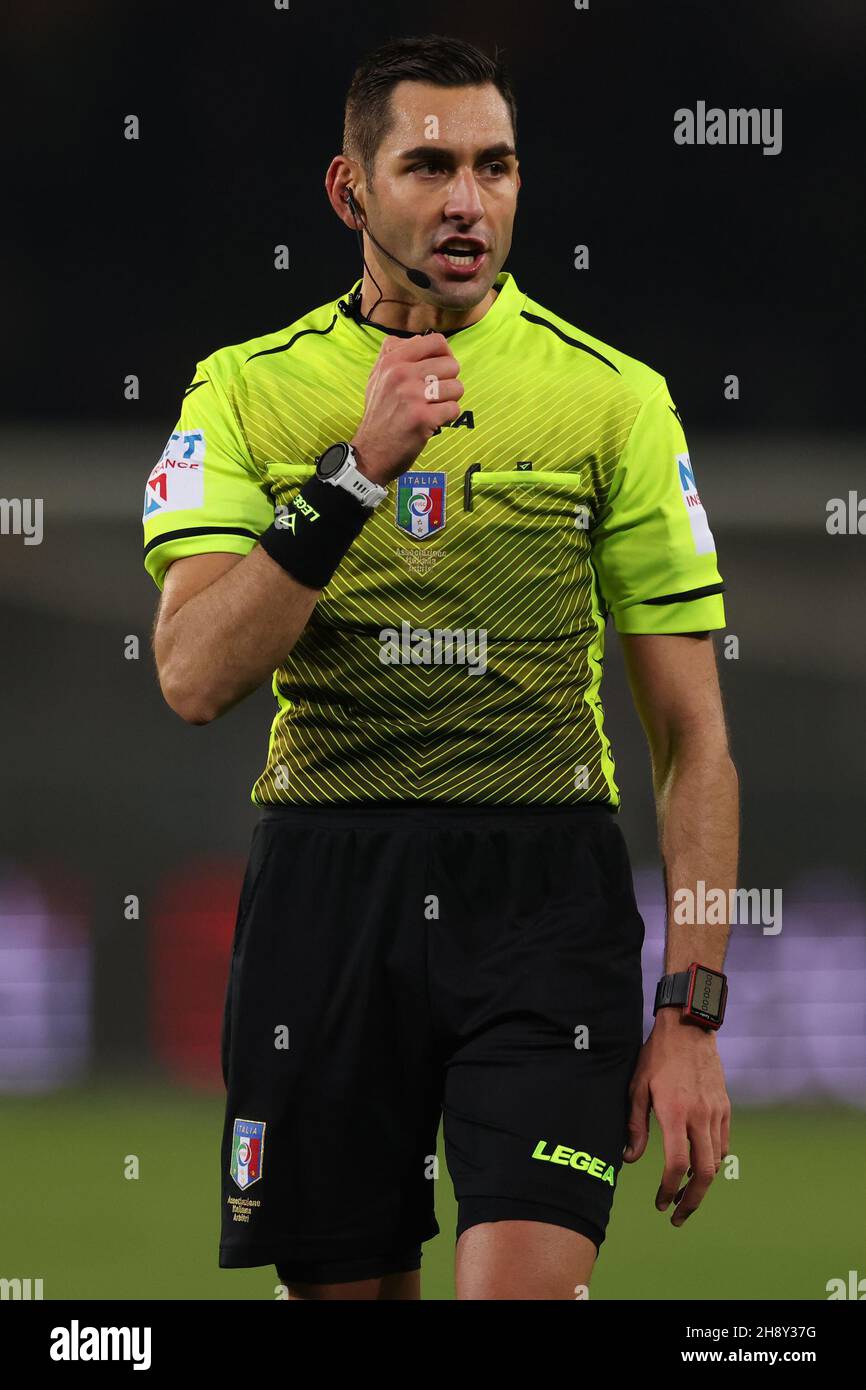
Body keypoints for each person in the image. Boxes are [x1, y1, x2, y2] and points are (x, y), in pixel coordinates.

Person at [142, 33, 738, 1300]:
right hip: (325, 889)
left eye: (495, 165)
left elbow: (692, 737)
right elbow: (193, 674)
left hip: (541, 891)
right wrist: (353, 476)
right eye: (427, 165)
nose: (467, 200)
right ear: (348, 192)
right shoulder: (247, 393)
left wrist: (688, 1011)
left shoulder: (610, 401)